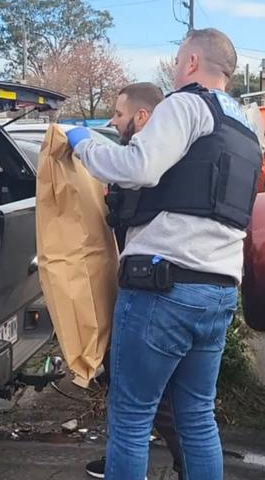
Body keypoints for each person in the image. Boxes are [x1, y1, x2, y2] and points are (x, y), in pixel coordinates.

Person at [65, 28, 262, 480]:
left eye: (177, 61)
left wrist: (83, 143)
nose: (174, 71)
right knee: (196, 417)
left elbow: (139, 167)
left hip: (163, 287)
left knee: (132, 417)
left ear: (192, 62)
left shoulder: (187, 104)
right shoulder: (248, 127)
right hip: (218, 292)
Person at [84, 82, 184, 480]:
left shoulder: (148, 164)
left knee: (143, 397)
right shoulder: (164, 154)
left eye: (119, 113)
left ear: (142, 117)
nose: (113, 120)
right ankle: (127, 462)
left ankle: (142, 466)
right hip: (160, 288)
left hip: (154, 294)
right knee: (157, 395)